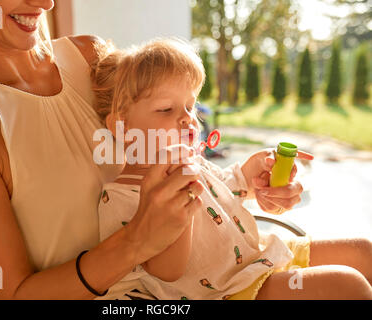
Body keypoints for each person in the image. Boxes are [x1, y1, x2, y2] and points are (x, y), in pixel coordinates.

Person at [91, 38, 372, 300]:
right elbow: (167, 271)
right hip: (228, 290)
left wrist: (258, 173)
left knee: (364, 252)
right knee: (349, 285)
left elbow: (233, 185)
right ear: (123, 126)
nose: (188, 120)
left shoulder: (194, 164)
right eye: (166, 109)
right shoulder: (119, 198)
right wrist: (182, 193)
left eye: (190, 107)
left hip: (256, 258)